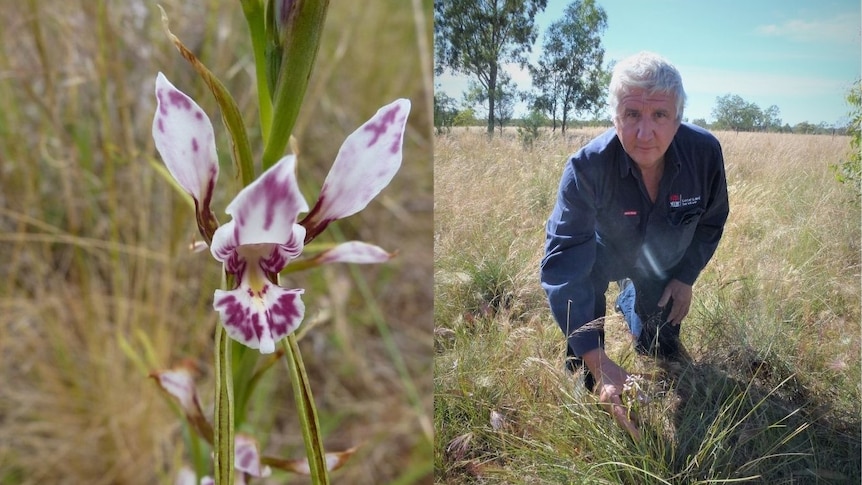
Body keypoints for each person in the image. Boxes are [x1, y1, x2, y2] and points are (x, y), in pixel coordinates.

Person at [539, 51, 729, 439]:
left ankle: (635, 302)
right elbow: (564, 264)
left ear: (678, 119)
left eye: (659, 115)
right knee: (589, 364)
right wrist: (598, 363)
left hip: (662, 260)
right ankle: (587, 371)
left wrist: (685, 277)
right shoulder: (585, 168)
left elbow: (711, 221)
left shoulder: (705, 154)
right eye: (632, 115)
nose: (645, 133)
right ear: (615, 117)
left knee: (661, 349)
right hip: (602, 255)